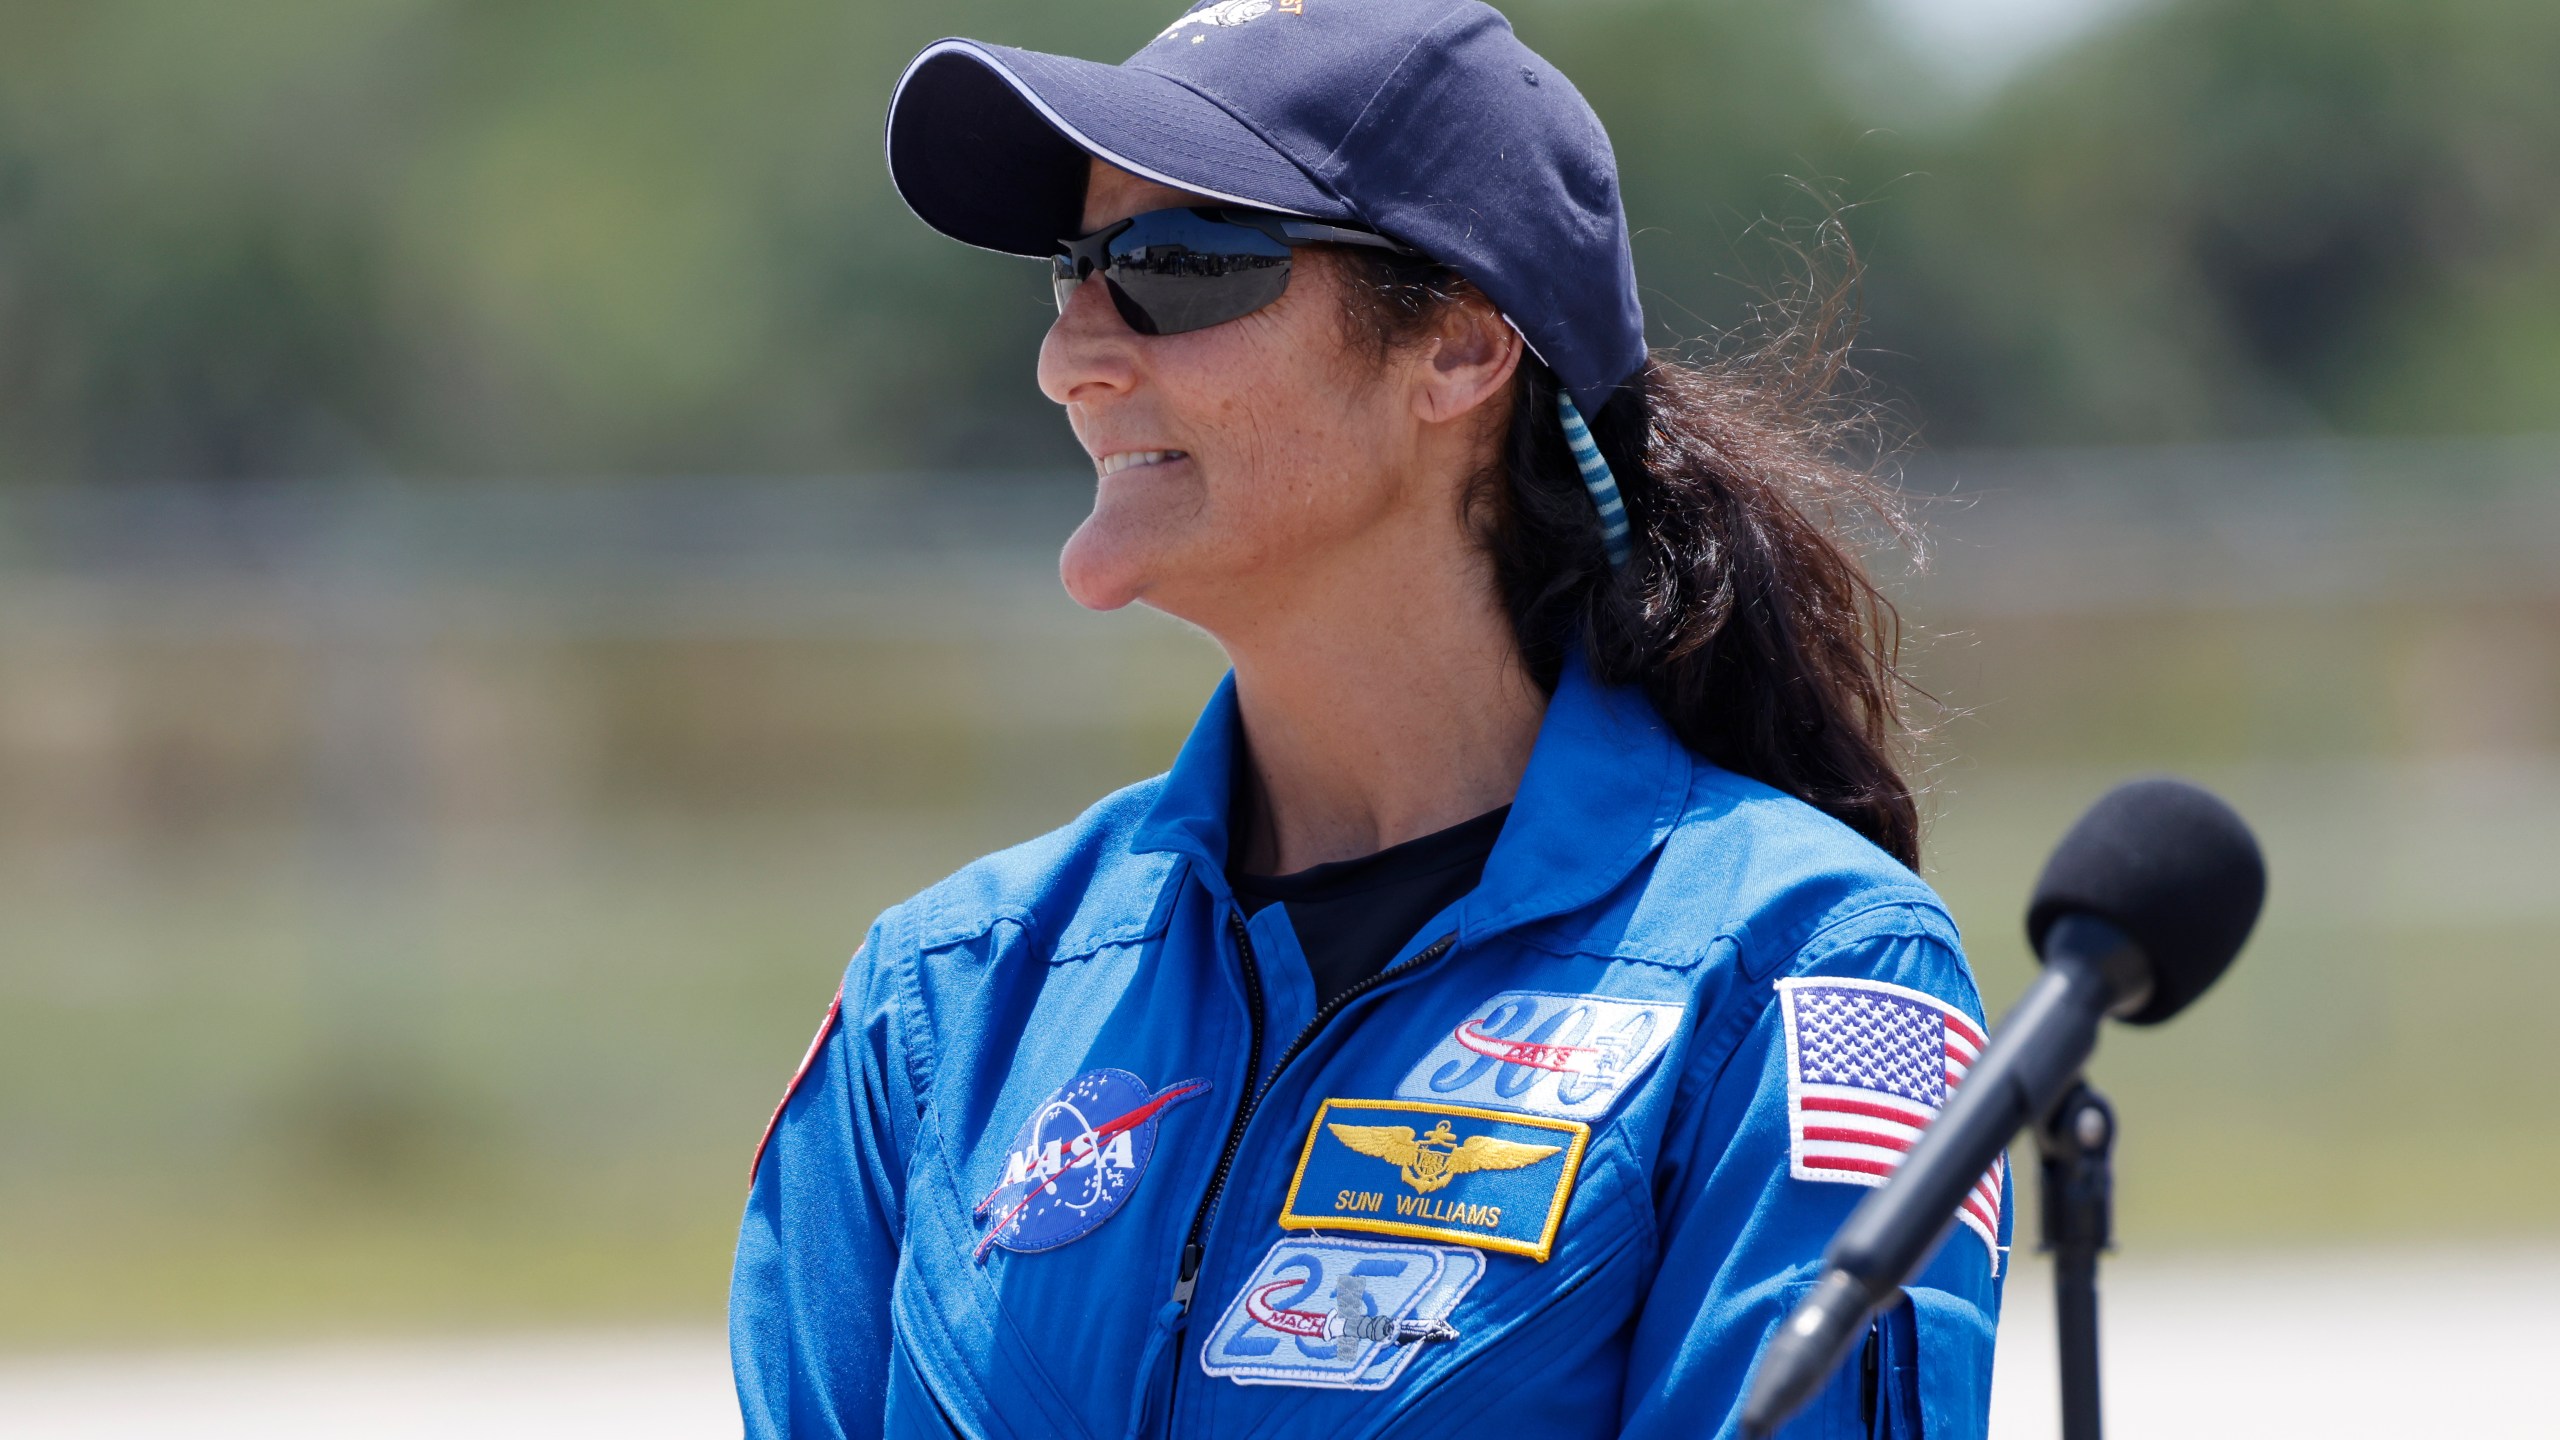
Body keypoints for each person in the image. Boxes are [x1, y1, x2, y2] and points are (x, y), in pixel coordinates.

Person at [731, 2, 2005, 1436]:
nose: (1072, 356)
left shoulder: (1802, 970)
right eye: (1073, 271)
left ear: (1459, 350)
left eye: (1175, 266)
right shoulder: (948, 999)